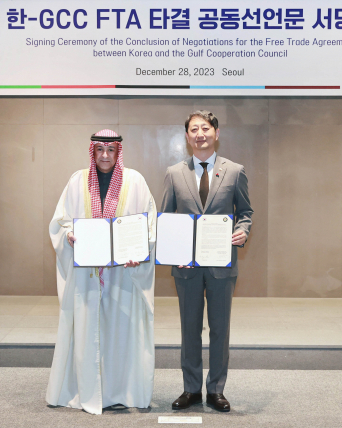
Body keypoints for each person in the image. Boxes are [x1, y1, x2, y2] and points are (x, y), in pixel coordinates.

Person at [46, 129, 156, 415]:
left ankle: (121, 390)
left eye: (111, 150)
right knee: (86, 332)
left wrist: (139, 253)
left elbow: (149, 225)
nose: (105, 155)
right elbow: (60, 221)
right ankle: (85, 390)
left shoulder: (135, 181)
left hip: (123, 275)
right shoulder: (77, 181)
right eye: (99, 150)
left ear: (118, 152)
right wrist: (69, 234)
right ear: (92, 151)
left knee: (121, 334)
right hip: (87, 274)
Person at [160, 111, 253, 412]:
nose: (200, 134)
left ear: (216, 133)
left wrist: (242, 230)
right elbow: (167, 218)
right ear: (187, 137)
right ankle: (191, 390)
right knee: (189, 329)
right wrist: (174, 252)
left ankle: (216, 390)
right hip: (186, 267)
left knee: (219, 330)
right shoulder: (174, 173)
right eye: (194, 129)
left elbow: (245, 212)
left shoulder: (235, 171)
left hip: (221, 265)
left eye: (205, 128)